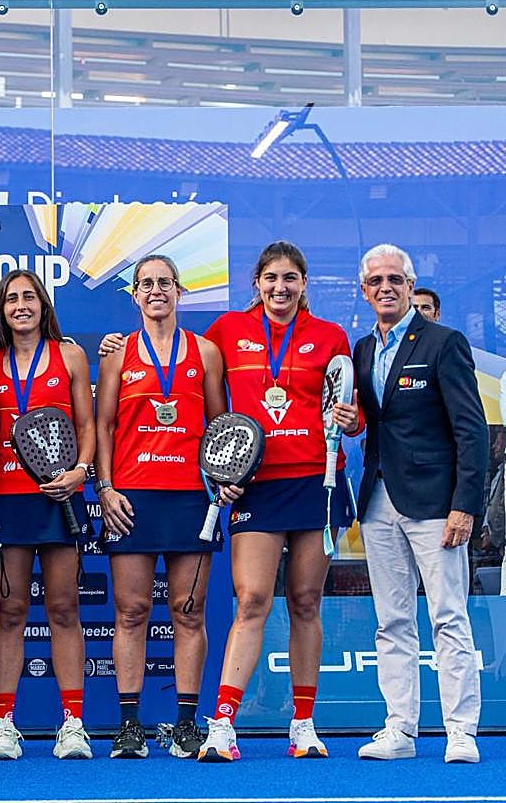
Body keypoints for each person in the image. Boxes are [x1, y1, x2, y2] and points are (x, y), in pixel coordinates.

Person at [195, 241, 360, 762]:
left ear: (304, 283)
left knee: (307, 603)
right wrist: (115, 347)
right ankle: (222, 723)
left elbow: (347, 411)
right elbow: (182, 373)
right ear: (256, 284)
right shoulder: (226, 332)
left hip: (316, 480)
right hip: (256, 485)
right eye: (271, 279)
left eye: (290, 278)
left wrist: (351, 423)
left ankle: (303, 723)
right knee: (252, 602)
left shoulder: (331, 337)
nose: (280, 288)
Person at [348, 244, 487, 764]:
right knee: (392, 621)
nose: (385, 287)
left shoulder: (444, 342)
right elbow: (369, 420)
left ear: (410, 287)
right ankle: (400, 730)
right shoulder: (362, 350)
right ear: (364, 292)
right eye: (375, 280)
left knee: (448, 616)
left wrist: (465, 504)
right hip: (379, 499)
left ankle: (461, 731)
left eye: (395, 279)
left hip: (436, 504)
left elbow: (471, 429)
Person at [93, 255, 233, 761]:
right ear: (135, 295)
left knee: (187, 612)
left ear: (180, 292)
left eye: (165, 283)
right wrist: (105, 488)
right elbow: (103, 426)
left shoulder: (206, 352)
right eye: (147, 284)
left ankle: (186, 724)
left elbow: (221, 425)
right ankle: (129, 725)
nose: (156, 291)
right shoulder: (116, 353)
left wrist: (224, 481)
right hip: (131, 497)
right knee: (131, 611)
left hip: (192, 498)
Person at [0, 269, 95, 761]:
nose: (21, 305)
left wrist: (81, 472)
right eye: (11, 299)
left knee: (64, 609)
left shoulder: (69, 355)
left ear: (43, 304)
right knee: (9, 612)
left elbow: (87, 425)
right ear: (2, 311)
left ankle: (73, 723)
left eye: (29, 296)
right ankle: (4, 724)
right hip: (7, 498)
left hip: (61, 498)